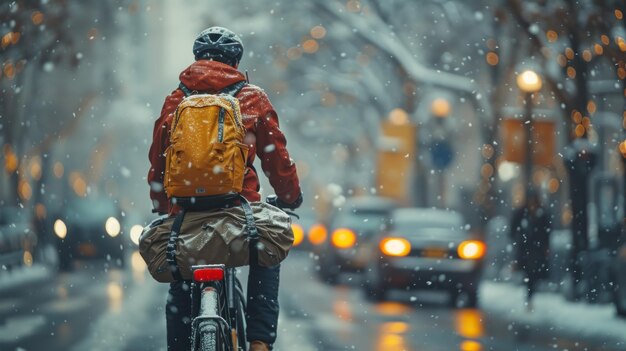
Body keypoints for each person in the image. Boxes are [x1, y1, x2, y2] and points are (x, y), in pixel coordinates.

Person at [148, 26, 302, 351]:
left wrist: (164, 206)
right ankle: (260, 341)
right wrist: (289, 196)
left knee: (180, 283)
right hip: (238, 213)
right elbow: (276, 157)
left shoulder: (175, 101)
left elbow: (159, 164)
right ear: (236, 60)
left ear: (197, 59)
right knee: (266, 255)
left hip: (186, 215)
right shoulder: (251, 98)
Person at [509, 191, 551, 311]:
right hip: (526, 249)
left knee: (533, 273)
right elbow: (513, 229)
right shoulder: (523, 213)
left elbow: (546, 232)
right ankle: (529, 296)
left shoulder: (540, 214)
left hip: (535, 250)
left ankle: (530, 295)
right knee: (529, 273)